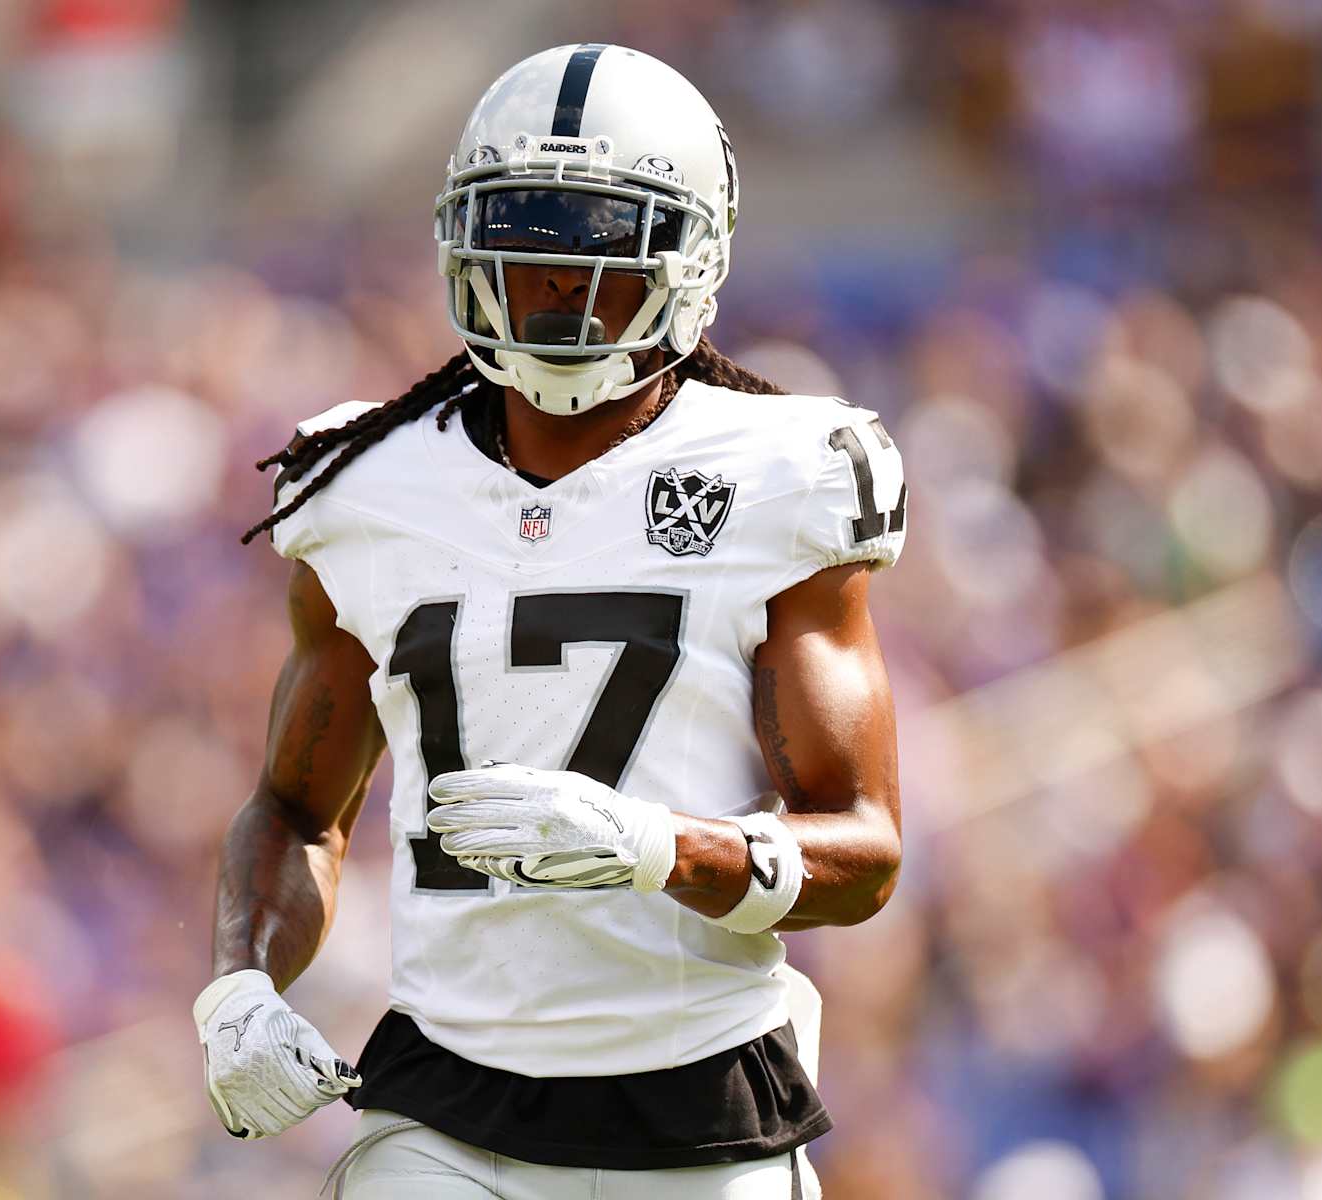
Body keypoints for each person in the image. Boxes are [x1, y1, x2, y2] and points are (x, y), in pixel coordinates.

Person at [193, 43, 907, 1199]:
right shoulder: (364, 479)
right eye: (523, 235)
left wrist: (660, 848)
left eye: (598, 241)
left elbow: (863, 853)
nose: (555, 280)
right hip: (445, 1098)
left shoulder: (783, 471)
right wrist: (240, 985)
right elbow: (293, 809)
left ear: (693, 257)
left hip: (701, 1104)